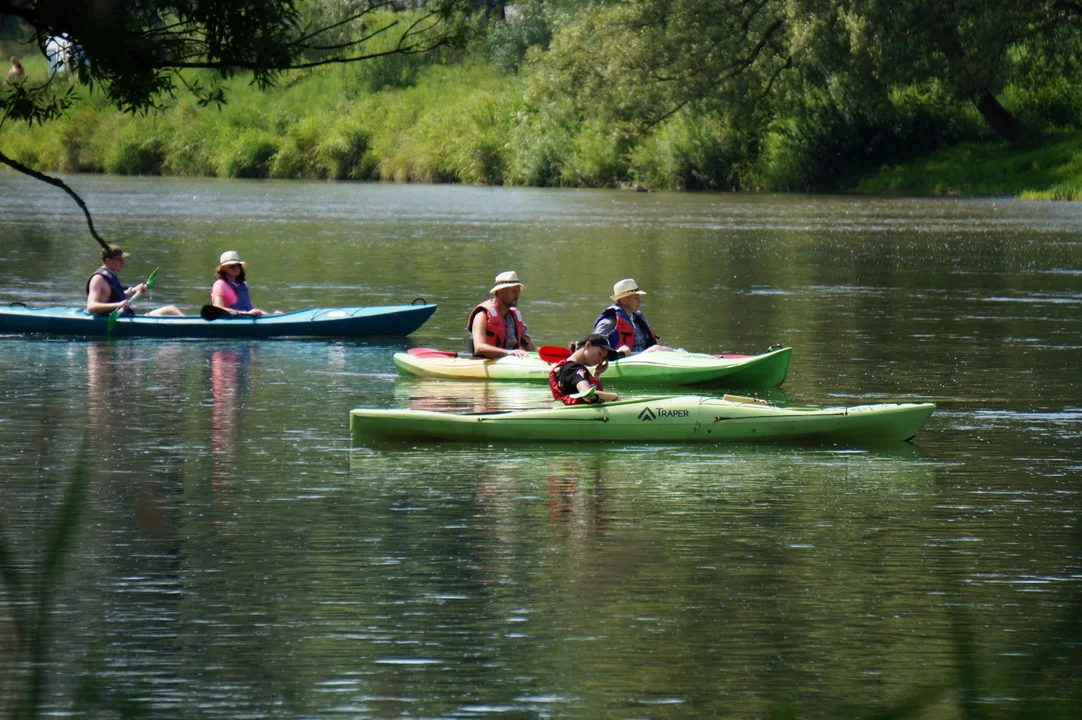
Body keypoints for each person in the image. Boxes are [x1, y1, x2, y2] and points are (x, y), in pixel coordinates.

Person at [86, 245, 183, 316]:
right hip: (111, 320)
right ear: (108, 261)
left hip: (125, 318)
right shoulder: (98, 279)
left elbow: (115, 295)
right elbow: (91, 307)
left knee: (171, 309)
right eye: (119, 259)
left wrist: (134, 290)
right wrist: (117, 304)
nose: (123, 262)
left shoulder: (111, 275)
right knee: (170, 310)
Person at [592, 278, 674, 355]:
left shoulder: (637, 319)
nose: (639, 301)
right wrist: (616, 352)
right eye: (636, 298)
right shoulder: (609, 321)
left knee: (668, 350)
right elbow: (595, 344)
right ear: (623, 300)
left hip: (641, 358)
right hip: (621, 359)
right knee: (657, 349)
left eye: (639, 298)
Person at [467, 271, 538, 358]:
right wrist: (509, 352)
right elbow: (480, 347)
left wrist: (553, 356)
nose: (518, 295)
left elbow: (531, 348)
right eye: (514, 292)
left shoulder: (515, 317)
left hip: (509, 362)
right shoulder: (482, 316)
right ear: (500, 293)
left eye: (518, 292)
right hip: (484, 362)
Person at [549, 333, 621, 405]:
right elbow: (587, 395)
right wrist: (614, 396)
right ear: (588, 345)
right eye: (600, 354)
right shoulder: (575, 369)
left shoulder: (567, 367)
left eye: (603, 358)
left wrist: (596, 375)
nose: (600, 361)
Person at [210, 251, 271, 316]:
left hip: (247, 318)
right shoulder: (220, 285)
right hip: (234, 320)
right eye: (232, 266)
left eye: (238, 265)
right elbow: (218, 308)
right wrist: (244, 313)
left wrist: (271, 315)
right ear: (223, 269)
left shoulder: (241, 285)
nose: (236, 268)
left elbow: (251, 308)